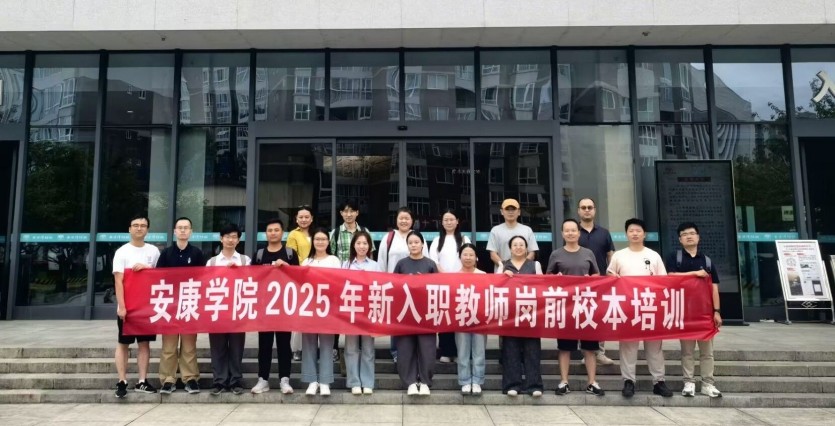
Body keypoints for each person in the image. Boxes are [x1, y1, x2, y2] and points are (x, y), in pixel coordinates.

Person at [607, 218, 672, 398]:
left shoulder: (653, 255)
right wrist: (613, 278)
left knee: (654, 346)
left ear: (645, 234)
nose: (635, 233)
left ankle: (659, 381)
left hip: (650, 307)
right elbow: (610, 275)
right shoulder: (619, 255)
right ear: (626, 234)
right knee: (628, 346)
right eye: (631, 231)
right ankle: (629, 381)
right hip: (628, 308)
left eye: (638, 231)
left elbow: (663, 281)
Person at [546, 219, 604, 396]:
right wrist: (557, 278)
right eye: (567, 231)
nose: (570, 233)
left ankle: (592, 382)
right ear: (562, 234)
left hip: (586, 305)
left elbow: (596, 274)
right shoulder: (556, 254)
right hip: (565, 307)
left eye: (573, 230)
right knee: (565, 347)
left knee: (590, 348)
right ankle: (564, 381)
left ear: (579, 233)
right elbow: (548, 278)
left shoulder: (588, 253)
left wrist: (590, 279)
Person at [665, 222, 723, 398]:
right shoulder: (675, 258)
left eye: (692, 233)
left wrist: (717, 311)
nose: (689, 236)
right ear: (680, 239)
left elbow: (714, 288)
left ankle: (708, 383)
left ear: (698, 237)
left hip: (705, 313)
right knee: (687, 351)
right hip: (685, 313)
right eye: (684, 234)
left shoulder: (707, 261)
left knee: (707, 353)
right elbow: (670, 277)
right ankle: (688, 382)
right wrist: (694, 274)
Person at [112, 214, 160, 398]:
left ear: (147, 229)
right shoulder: (122, 252)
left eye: (143, 225)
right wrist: (122, 306)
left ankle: (142, 381)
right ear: (129, 229)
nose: (139, 228)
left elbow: (160, 276)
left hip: (147, 307)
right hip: (128, 307)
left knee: (144, 344)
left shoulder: (153, 251)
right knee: (123, 343)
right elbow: (118, 281)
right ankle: (122, 380)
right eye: (136, 225)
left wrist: (148, 268)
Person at [156, 217, 204, 395]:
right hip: (169, 306)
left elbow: (203, 278)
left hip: (190, 305)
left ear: (191, 231)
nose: (183, 230)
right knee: (169, 347)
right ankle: (168, 380)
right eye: (180, 227)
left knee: (189, 346)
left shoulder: (197, 253)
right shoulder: (166, 253)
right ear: (174, 231)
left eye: (186, 228)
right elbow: (157, 278)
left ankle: (190, 378)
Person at [250, 218, 299, 395]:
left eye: (276, 230)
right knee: (264, 344)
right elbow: (251, 278)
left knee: (284, 344)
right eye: (270, 230)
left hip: (284, 307)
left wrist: (287, 267)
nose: (273, 233)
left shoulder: (290, 253)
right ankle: (263, 379)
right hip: (264, 307)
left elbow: (299, 278)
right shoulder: (259, 254)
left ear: (282, 233)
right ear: (266, 233)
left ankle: (284, 379)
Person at [329, 200, 375, 374]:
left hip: (362, 284)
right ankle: (334, 348)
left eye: (352, 211)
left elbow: (370, 254)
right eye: (345, 211)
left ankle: (361, 348)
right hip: (341, 282)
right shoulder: (335, 233)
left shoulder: (364, 232)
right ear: (341, 213)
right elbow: (332, 255)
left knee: (361, 316)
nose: (348, 214)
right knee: (339, 315)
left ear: (357, 213)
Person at [206, 223, 250, 396]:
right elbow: (206, 284)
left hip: (238, 310)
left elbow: (251, 283)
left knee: (237, 347)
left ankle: (235, 380)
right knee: (218, 347)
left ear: (238, 240)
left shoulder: (245, 261)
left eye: (234, 237)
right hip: (217, 309)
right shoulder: (212, 262)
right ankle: (219, 381)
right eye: (227, 236)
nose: (230, 240)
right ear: (221, 238)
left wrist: (239, 272)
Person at [378, 207, 427, 363]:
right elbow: (381, 262)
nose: (404, 221)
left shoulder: (417, 237)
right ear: (396, 220)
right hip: (394, 286)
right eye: (401, 218)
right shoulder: (389, 238)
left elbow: (426, 260)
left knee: (414, 318)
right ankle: (396, 351)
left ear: (412, 221)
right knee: (397, 319)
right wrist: (382, 283)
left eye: (407, 218)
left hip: (416, 288)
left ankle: (413, 350)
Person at [393, 230, 439, 396]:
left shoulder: (430, 264)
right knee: (405, 349)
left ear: (422, 244)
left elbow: (438, 288)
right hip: (405, 313)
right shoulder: (401, 264)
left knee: (427, 349)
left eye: (416, 242)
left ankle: (425, 381)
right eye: (410, 243)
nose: (413, 245)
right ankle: (410, 382)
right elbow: (393, 286)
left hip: (426, 314)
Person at [499, 235, 544, 397]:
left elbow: (542, 285)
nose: (518, 247)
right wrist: (502, 277)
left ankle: (534, 385)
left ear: (526, 248)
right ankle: (512, 384)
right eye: (515, 245)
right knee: (510, 349)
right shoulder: (503, 265)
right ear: (510, 248)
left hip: (531, 313)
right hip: (510, 314)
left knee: (532, 349)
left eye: (521, 245)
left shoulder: (535, 265)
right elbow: (495, 287)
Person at [301, 227, 341, 396]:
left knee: (326, 345)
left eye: (323, 239)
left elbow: (338, 282)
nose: (320, 242)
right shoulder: (306, 262)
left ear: (328, 242)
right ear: (313, 241)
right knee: (308, 344)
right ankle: (311, 380)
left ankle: (325, 381)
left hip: (328, 309)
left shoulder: (334, 260)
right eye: (317, 239)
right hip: (309, 308)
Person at [577, 197, 617, 366]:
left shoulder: (604, 233)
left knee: (599, 316)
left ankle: (600, 352)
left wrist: (611, 274)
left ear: (594, 210)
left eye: (590, 207)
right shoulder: (574, 231)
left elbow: (610, 255)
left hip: (600, 282)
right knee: (582, 316)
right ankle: (585, 353)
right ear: (579, 211)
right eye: (583, 207)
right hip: (578, 283)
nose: (587, 210)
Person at [428, 209, 470, 363]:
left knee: (460, 318)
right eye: (446, 220)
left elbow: (469, 258)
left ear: (457, 221)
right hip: (442, 285)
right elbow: (433, 261)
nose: (449, 222)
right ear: (442, 222)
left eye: (451, 219)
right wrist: (445, 274)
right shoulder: (437, 240)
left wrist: (457, 275)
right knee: (444, 318)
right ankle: (446, 351)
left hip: (461, 285)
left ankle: (460, 352)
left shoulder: (464, 239)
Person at [342, 230, 380, 395]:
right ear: (353, 246)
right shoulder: (345, 265)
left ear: (369, 246)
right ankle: (354, 382)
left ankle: (367, 382)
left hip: (368, 311)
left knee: (368, 348)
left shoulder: (375, 265)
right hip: (351, 310)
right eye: (358, 243)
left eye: (365, 243)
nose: (362, 246)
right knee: (351, 347)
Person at [454, 243, 486, 395]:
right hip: (461, 318)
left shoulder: (483, 275)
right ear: (460, 257)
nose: (468, 257)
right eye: (465, 254)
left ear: (476, 257)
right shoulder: (454, 276)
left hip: (480, 319)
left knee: (479, 351)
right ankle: (465, 380)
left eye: (471, 255)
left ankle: (478, 380)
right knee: (462, 351)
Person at [286, 205, 314, 361]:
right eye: (301, 217)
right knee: (300, 312)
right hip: (300, 277)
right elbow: (291, 256)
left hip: (316, 276)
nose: (304, 220)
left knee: (313, 313)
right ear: (296, 219)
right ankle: (296, 348)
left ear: (312, 219)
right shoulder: (293, 234)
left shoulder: (316, 233)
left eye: (306, 217)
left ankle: (310, 347)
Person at [487, 198, 538, 273]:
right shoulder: (495, 230)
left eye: (513, 209)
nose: (510, 212)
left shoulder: (527, 230)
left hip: (524, 274)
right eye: (507, 209)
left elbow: (532, 253)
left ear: (519, 212)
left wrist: (522, 268)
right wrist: (506, 267)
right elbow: (493, 254)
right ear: (502, 211)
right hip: (503, 274)